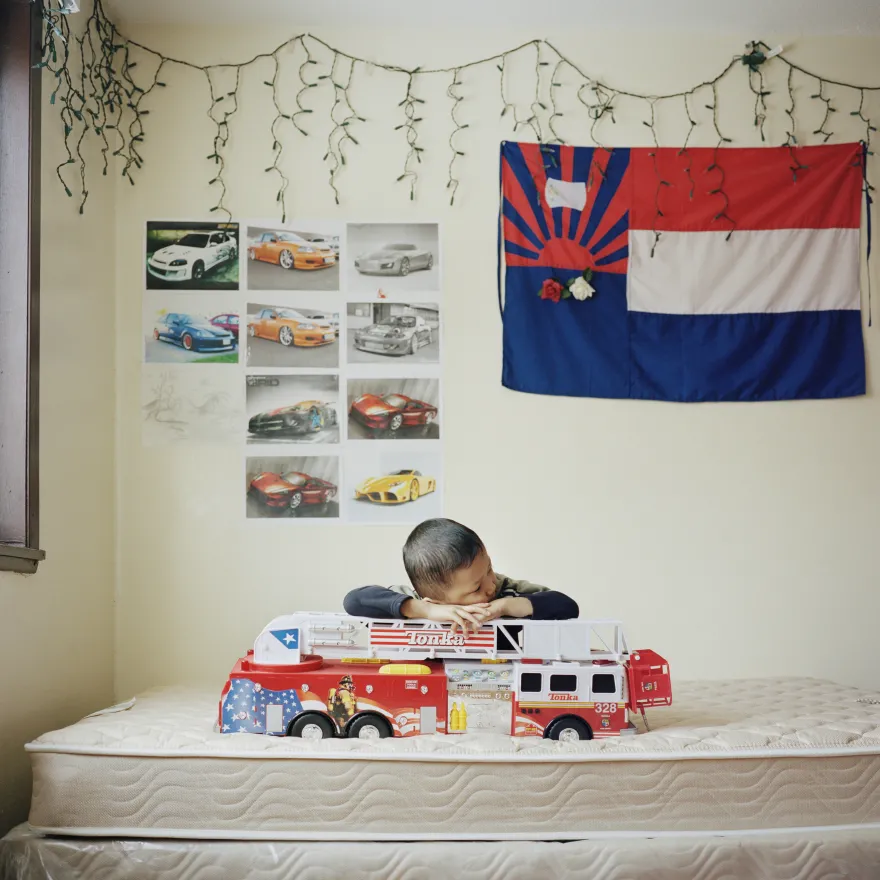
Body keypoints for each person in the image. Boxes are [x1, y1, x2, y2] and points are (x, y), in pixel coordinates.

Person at [343, 518, 578, 632]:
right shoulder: (415, 600)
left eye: (488, 569)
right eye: (475, 589)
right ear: (436, 598)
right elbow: (354, 600)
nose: (490, 585)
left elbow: (567, 606)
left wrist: (505, 606)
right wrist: (426, 610)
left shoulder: (504, 590)